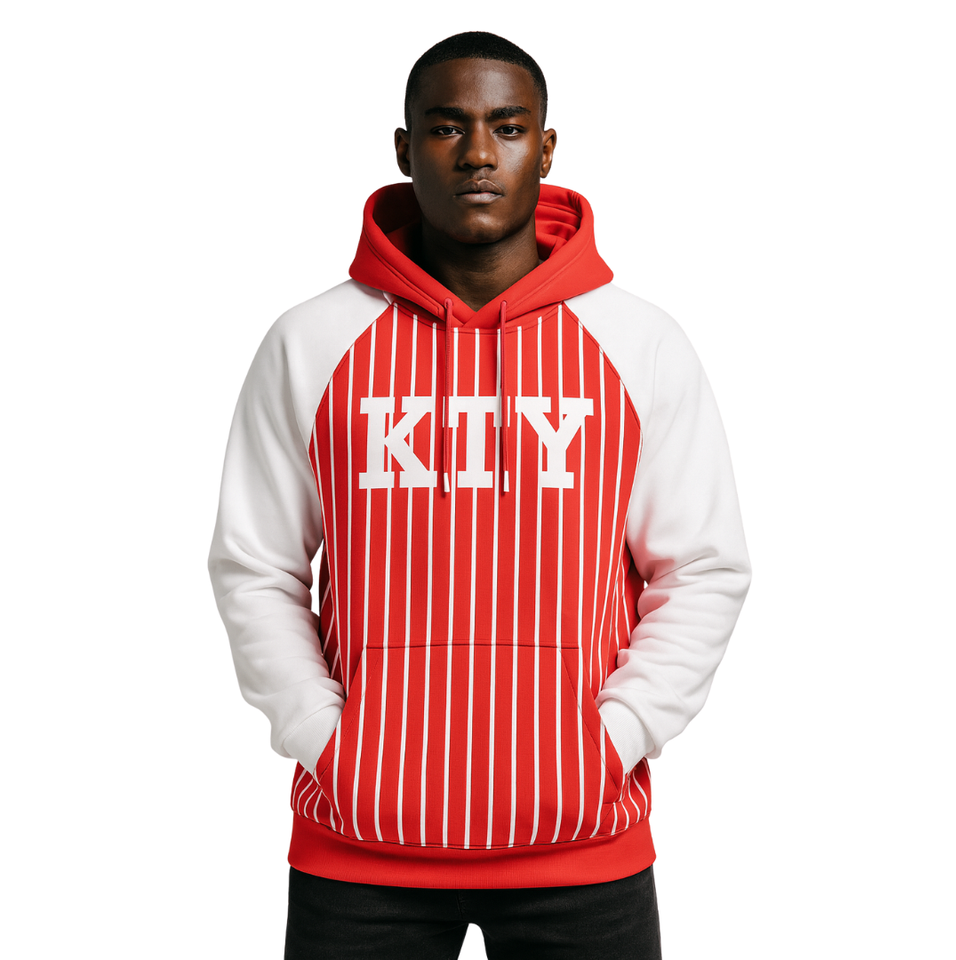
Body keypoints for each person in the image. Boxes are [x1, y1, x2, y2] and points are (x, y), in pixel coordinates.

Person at [209, 31, 750, 960]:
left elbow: (702, 568)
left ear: (546, 148)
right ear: (403, 148)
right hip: (359, 849)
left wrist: (613, 740)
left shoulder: (639, 343)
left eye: (506, 126)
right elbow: (255, 565)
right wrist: (324, 738)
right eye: (446, 128)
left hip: (582, 846)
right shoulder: (312, 342)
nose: (476, 154)